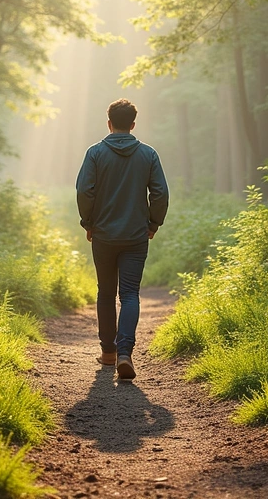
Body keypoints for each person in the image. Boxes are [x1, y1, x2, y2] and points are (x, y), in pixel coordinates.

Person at [76, 98, 169, 380]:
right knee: (129, 294)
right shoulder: (148, 154)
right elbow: (161, 194)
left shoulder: (95, 153)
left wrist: (88, 222)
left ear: (109, 123)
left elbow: (84, 191)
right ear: (132, 124)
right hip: (135, 236)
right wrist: (153, 223)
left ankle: (108, 353)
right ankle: (125, 353)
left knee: (105, 293)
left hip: (103, 235)